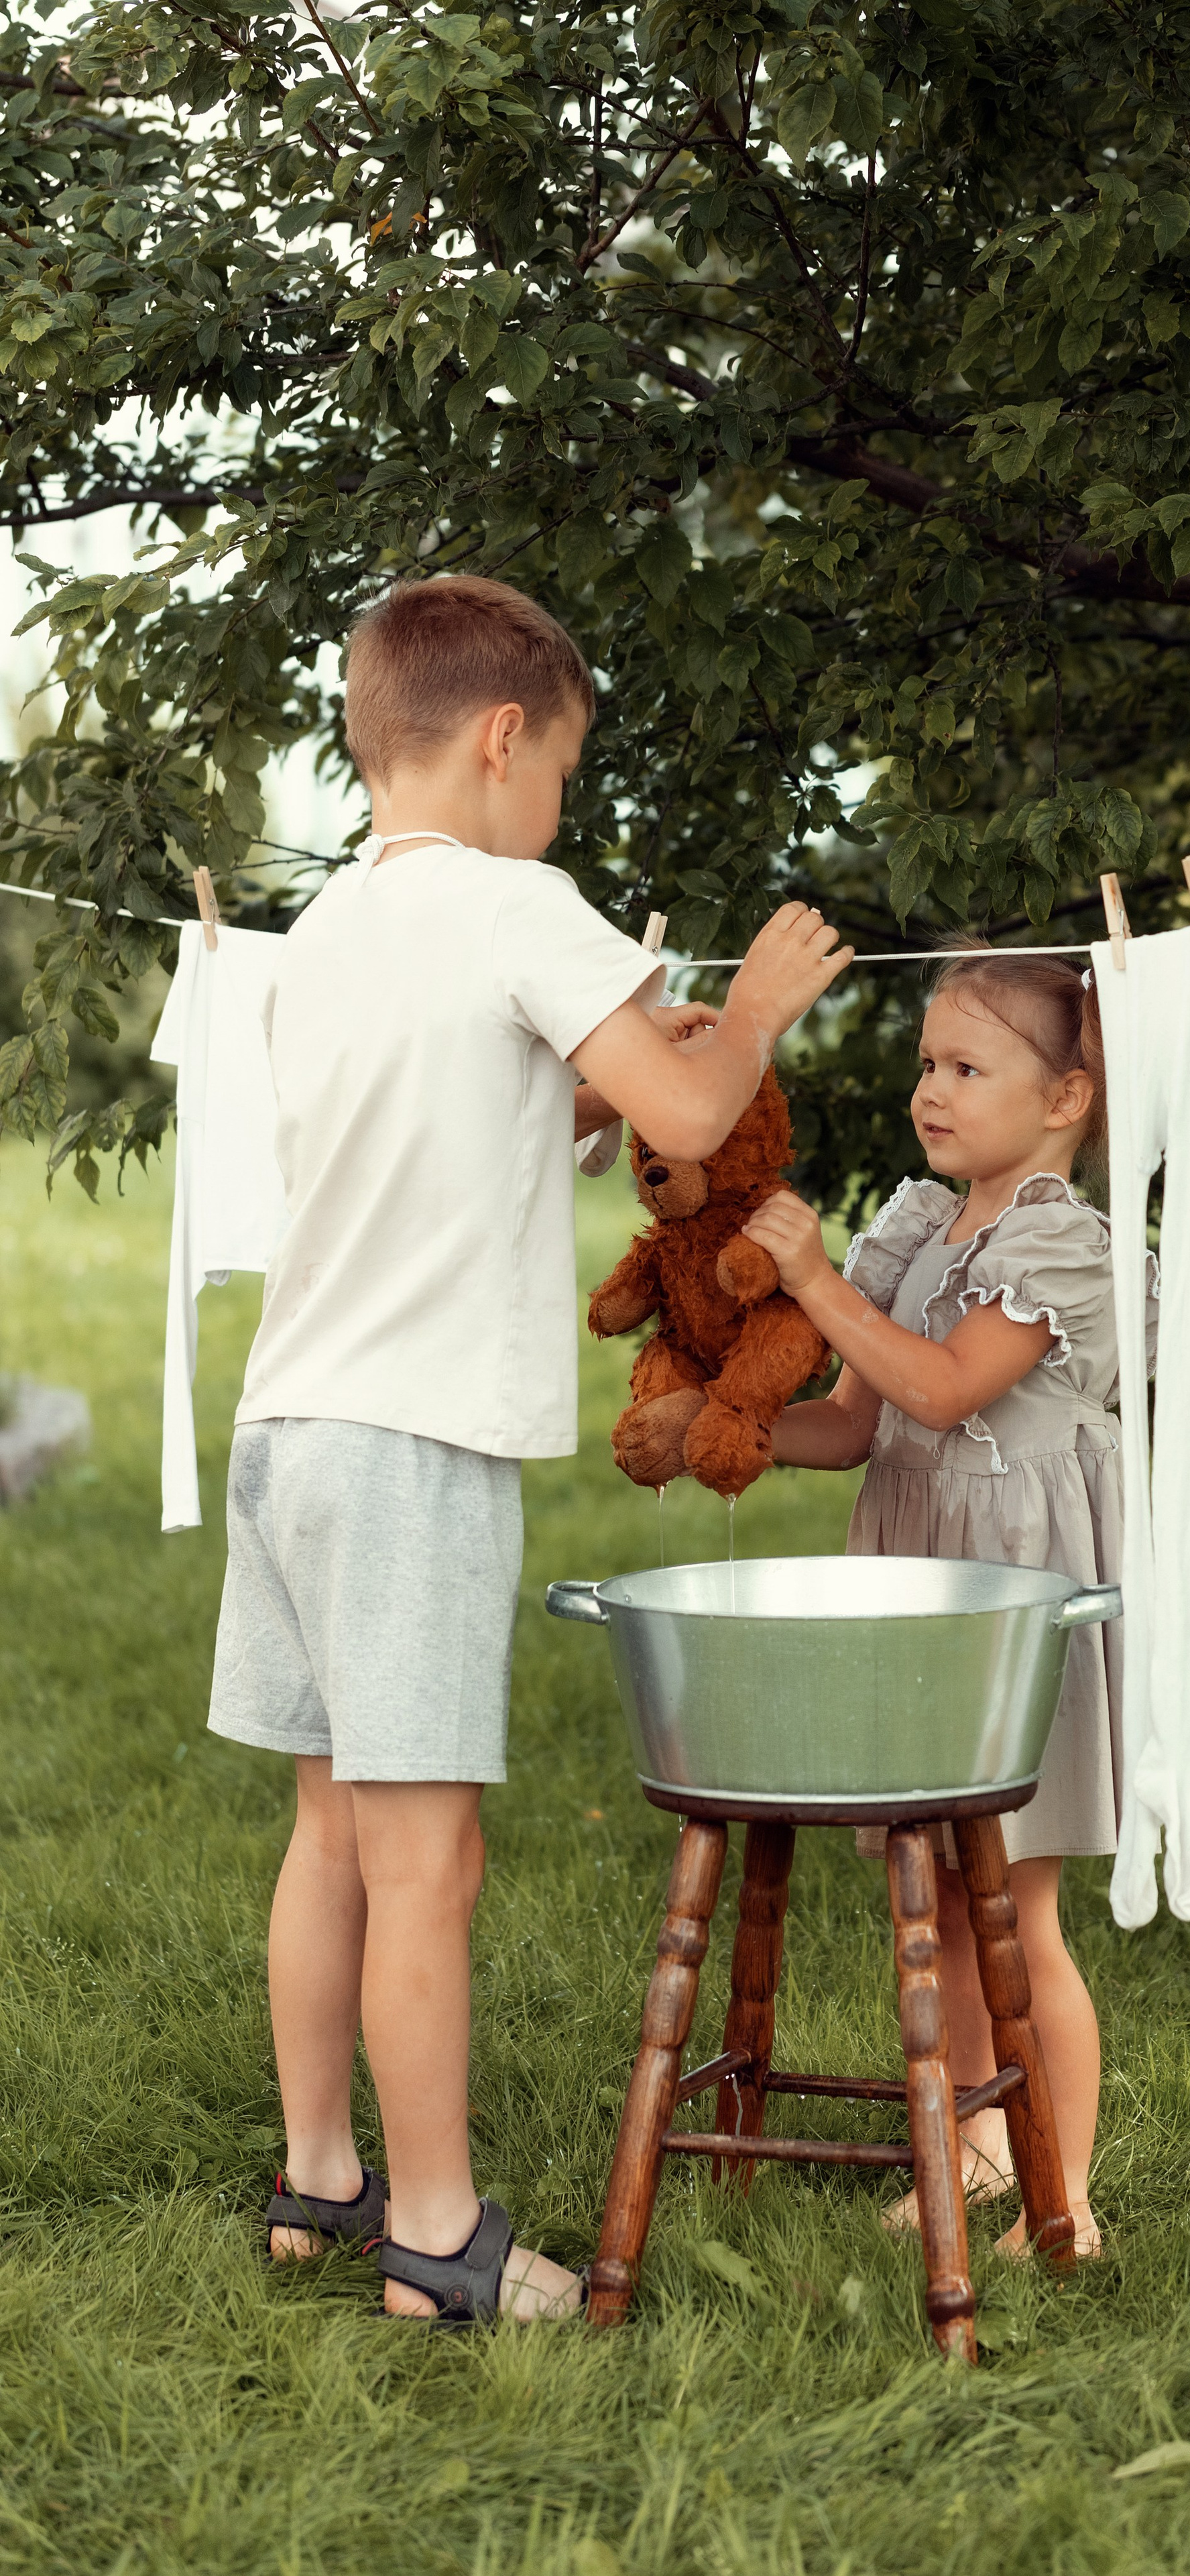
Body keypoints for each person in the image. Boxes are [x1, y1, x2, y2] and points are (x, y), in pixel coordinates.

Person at [210, 573, 850, 2324]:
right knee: (431, 1860)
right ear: (504, 741)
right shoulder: (518, 903)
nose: (557, 807)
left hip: (292, 1430)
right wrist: (765, 1003)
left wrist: (600, 1083)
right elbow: (703, 1115)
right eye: (558, 770)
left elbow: (475, 1106)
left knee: (328, 1829)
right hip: (414, 1450)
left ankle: (321, 2180)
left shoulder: (333, 928)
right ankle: (439, 2238)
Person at [746, 946, 1126, 2261]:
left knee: (1017, 1907)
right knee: (954, 1892)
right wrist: (730, 1429)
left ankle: (1061, 2190)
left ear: (1065, 1095)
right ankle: (976, 2138)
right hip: (920, 1578)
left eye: (967, 1067)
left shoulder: (1052, 1244)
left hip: (1011, 1592)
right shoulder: (919, 1226)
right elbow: (854, 1427)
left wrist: (811, 1284)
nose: (932, 1090)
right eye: (925, 1064)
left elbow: (946, 1385)